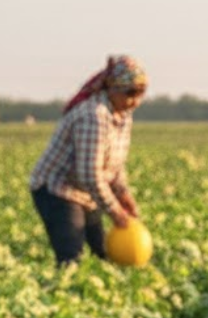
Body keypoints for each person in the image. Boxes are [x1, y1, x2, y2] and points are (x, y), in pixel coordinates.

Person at [28, 55, 148, 265]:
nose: (135, 101)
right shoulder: (93, 116)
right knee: (72, 256)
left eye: (140, 94)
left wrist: (123, 194)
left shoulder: (123, 115)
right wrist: (115, 211)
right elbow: (89, 175)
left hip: (85, 192)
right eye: (130, 93)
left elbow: (115, 166)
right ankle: (66, 282)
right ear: (112, 89)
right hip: (57, 189)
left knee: (100, 252)